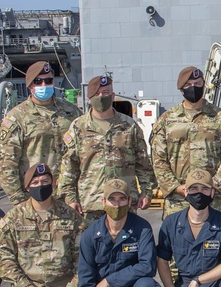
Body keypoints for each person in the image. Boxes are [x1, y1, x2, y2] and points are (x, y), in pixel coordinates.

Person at [0, 163, 84, 287]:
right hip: (30, 284)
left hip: (61, 284)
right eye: (35, 182)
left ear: (54, 183)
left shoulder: (71, 216)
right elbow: (3, 257)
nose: (40, 185)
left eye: (45, 181)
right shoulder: (13, 218)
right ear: (27, 187)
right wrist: (23, 285)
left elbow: (84, 259)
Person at [76, 179, 161, 287]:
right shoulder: (91, 235)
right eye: (112, 199)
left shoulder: (141, 228)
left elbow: (148, 266)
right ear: (103, 202)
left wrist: (110, 279)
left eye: (122, 199)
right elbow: (85, 280)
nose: (117, 204)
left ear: (130, 201)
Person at [59, 74, 156, 222]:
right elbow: (69, 168)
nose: (101, 97)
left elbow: (143, 164)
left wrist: (146, 192)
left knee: (126, 244)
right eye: (97, 94)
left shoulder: (129, 126)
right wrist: (70, 198)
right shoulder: (78, 128)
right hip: (92, 204)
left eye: (105, 93)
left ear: (113, 95)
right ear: (90, 98)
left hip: (124, 202)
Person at [150, 66, 221, 217]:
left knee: (216, 238)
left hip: (213, 198)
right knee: (177, 238)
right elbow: (158, 159)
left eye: (198, 83)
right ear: (181, 89)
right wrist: (176, 187)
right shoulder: (167, 120)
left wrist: (214, 185)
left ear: (204, 85)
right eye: (188, 84)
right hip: (178, 199)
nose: (193, 87)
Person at [0, 61, 81, 205]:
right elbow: (6, 163)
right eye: (38, 81)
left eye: (48, 81)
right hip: (35, 196)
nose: (43, 85)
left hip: (70, 197)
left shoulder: (71, 112)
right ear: (30, 86)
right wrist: (19, 200)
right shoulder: (17, 117)